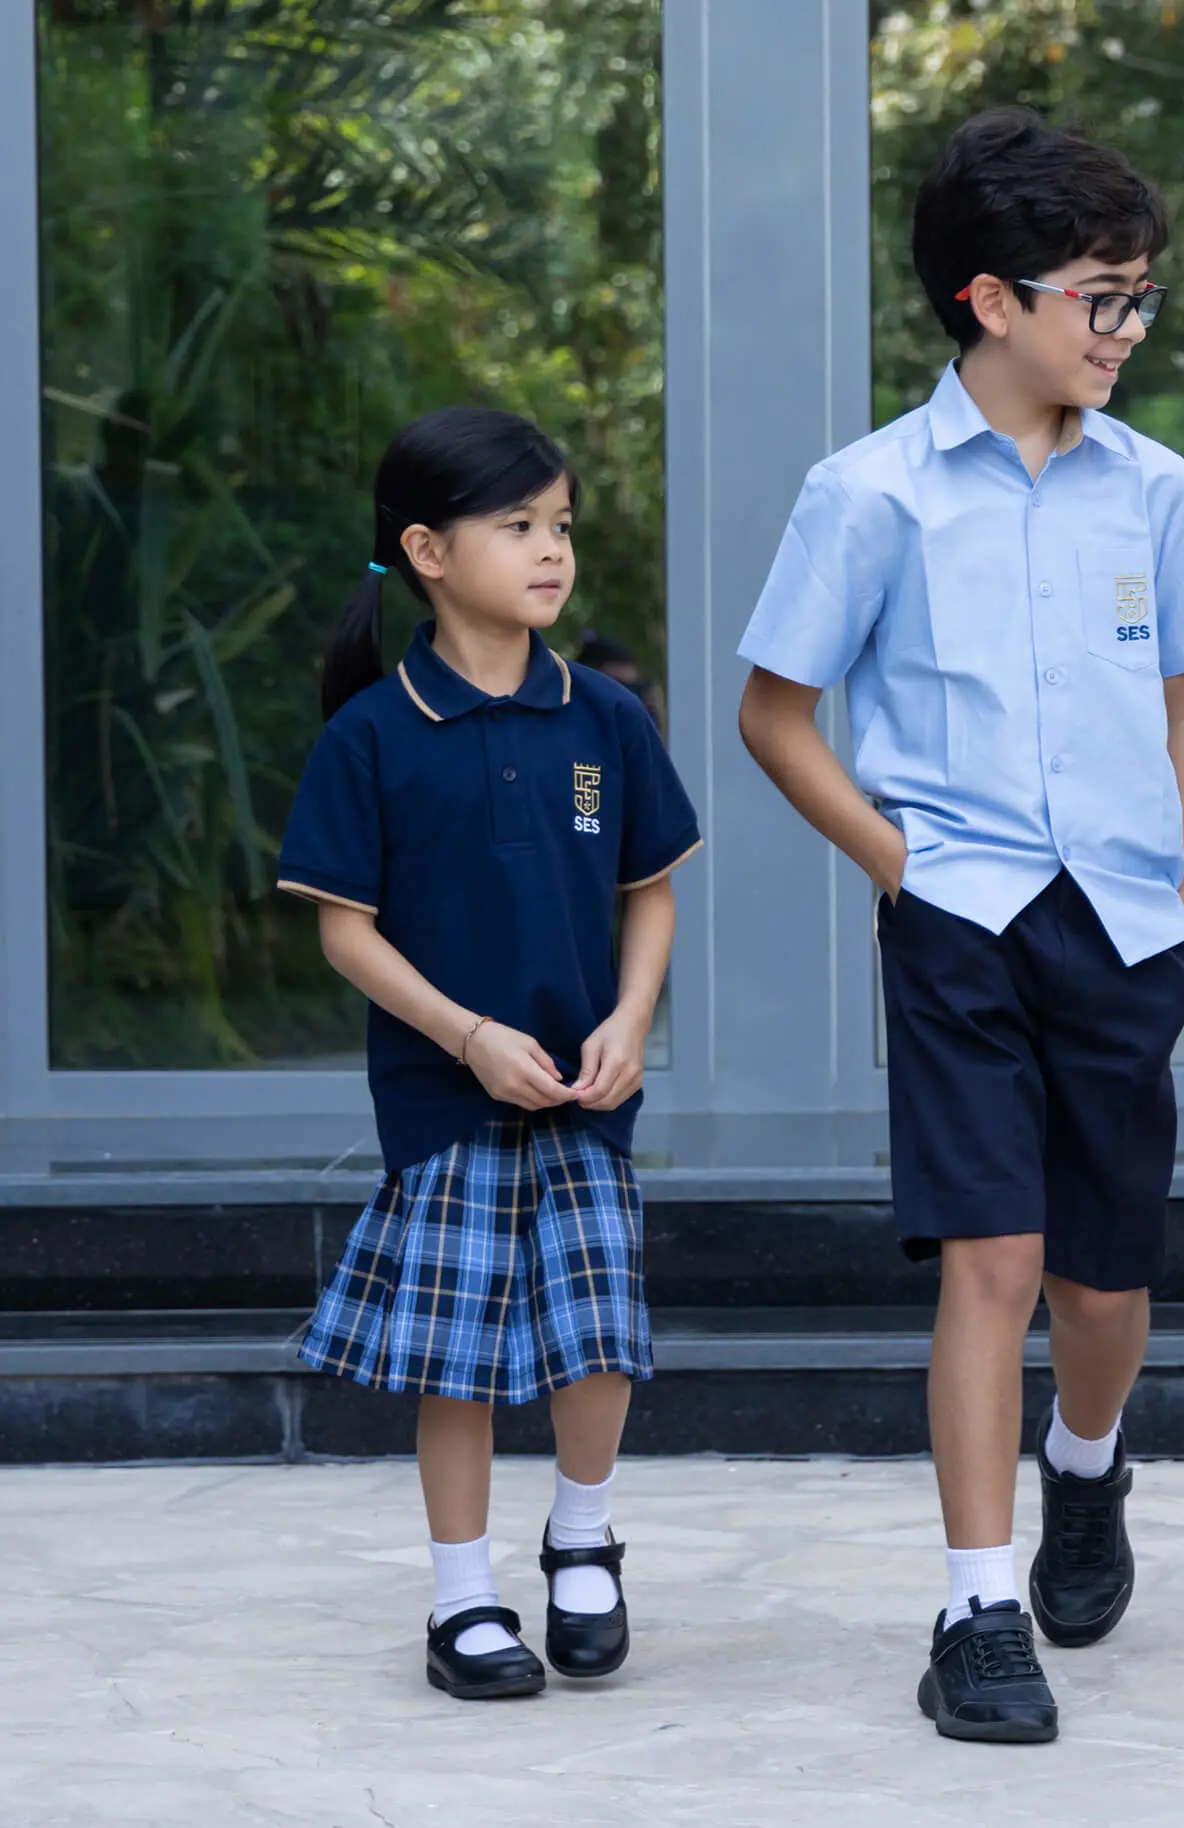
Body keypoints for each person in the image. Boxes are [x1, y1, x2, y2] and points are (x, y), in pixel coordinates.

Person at [733, 108, 1184, 1745]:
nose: (1125, 329)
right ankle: (975, 1604)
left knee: (1104, 1280)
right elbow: (776, 714)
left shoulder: (1153, 488)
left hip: (1123, 922)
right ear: (989, 299)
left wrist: (1181, 870)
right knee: (995, 1258)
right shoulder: (868, 494)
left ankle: (1085, 1469)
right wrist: (903, 863)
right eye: (1100, 297)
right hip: (959, 919)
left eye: (1138, 298)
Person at [277, 406, 701, 1700]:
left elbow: (652, 891)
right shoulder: (373, 736)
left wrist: (631, 1023)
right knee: (455, 1360)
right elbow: (344, 934)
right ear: (427, 551)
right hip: (443, 1102)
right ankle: (464, 1599)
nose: (551, 550)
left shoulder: (603, 721)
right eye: (517, 526)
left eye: (560, 525)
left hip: (585, 1090)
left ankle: (585, 1540)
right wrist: (464, 1036)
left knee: (595, 1336)